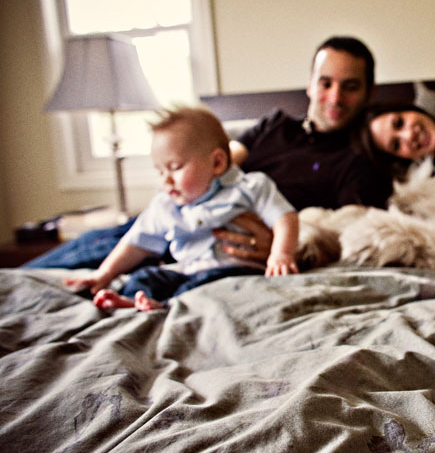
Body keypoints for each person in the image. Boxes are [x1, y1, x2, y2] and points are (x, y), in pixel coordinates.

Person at [25, 36, 391, 270]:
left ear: (370, 92)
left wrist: (287, 246)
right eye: (326, 83)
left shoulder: (361, 161)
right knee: (88, 249)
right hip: (183, 222)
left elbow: (344, 232)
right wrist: (180, 186)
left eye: (350, 86)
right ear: (310, 84)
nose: (334, 97)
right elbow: (222, 158)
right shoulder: (274, 125)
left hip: (235, 251)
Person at [63, 107, 299, 311]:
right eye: (160, 171)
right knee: (145, 277)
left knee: (205, 289)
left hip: (234, 271)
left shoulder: (250, 187)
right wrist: (104, 274)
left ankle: (168, 306)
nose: (165, 180)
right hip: (188, 270)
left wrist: (281, 253)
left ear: (217, 162)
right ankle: (134, 301)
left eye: (175, 167)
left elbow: (284, 217)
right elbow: (136, 242)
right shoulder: (165, 205)